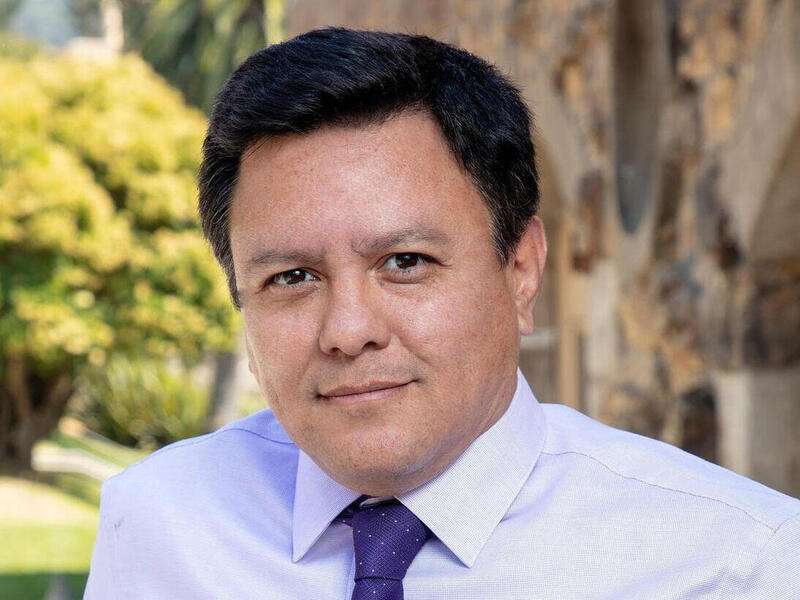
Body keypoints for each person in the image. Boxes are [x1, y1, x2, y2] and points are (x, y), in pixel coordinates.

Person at [84, 28, 799, 599]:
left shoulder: (736, 565)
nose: (347, 330)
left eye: (405, 263)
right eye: (291, 277)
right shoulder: (157, 524)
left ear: (521, 269)